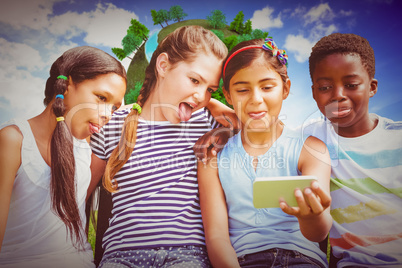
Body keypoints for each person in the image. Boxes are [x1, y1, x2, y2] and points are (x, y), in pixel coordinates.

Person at [89, 25, 233, 268]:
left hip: (187, 255)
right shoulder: (115, 124)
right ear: (163, 65)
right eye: (194, 80)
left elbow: (258, 124)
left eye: (210, 90)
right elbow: (79, 193)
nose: (200, 96)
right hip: (121, 255)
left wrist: (217, 109)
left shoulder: (206, 122)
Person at [197, 37, 333, 268]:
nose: (256, 100)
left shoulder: (311, 150)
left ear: (285, 89)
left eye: (267, 87)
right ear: (228, 95)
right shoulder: (212, 157)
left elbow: (318, 234)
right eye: (242, 90)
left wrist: (311, 216)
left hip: (302, 258)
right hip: (241, 261)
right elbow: (216, 237)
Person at [0, 46, 127, 268]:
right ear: (66, 86)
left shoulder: (87, 150)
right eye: (101, 97)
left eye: (114, 108)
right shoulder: (14, 140)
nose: (108, 114)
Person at [301, 32, 402, 267]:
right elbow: (260, 130)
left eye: (351, 85)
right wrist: (218, 117)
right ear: (314, 92)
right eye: (325, 87)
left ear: (372, 87)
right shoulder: (311, 139)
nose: (338, 95)